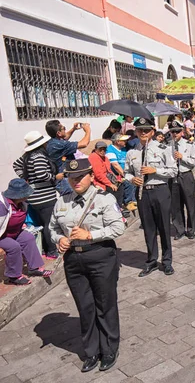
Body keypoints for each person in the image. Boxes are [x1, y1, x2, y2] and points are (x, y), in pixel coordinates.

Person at [49, 158, 124, 372]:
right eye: (72, 178)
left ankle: (109, 348)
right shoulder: (61, 201)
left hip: (100, 256)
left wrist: (91, 234)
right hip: (74, 260)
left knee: (105, 304)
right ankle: (92, 351)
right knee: (85, 306)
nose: (76, 181)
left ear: (91, 176)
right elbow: (52, 227)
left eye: (80, 176)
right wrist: (58, 239)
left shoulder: (104, 199)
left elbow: (118, 228)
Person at [124, 116, 177, 277]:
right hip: (142, 192)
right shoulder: (132, 152)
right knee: (148, 229)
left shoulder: (163, 149)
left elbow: (173, 171)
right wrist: (132, 179)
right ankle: (152, 261)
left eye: (146, 130)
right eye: (140, 130)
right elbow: (126, 172)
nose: (143, 133)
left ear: (152, 131)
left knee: (164, 227)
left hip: (160, 190)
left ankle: (167, 261)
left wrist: (155, 171)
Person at [12, 131, 60, 258]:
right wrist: (55, 176)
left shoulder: (27, 156)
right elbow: (41, 174)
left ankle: (43, 249)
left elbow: (15, 165)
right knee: (49, 224)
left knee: (40, 223)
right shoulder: (39, 156)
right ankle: (51, 250)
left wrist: (26, 178)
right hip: (44, 196)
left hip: (34, 196)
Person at [1, 179, 53, 285]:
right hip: (2, 235)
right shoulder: (2, 206)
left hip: (14, 232)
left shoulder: (22, 203)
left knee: (28, 238)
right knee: (13, 246)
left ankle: (34, 268)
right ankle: (14, 276)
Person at [168, 120, 195, 240]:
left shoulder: (189, 144)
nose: (175, 134)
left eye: (177, 131)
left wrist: (183, 157)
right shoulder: (167, 146)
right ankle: (179, 229)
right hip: (172, 176)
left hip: (185, 175)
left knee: (189, 203)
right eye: (172, 132)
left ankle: (190, 229)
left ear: (182, 132)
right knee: (175, 205)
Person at [45, 120, 91, 195]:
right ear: (59, 133)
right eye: (64, 129)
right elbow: (84, 143)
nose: (65, 131)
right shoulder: (59, 145)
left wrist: (73, 129)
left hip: (65, 178)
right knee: (70, 201)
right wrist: (88, 130)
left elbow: (65, 137)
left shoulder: (54, 142)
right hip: (64, 181)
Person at [106, 134, 136, 211]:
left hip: (127, 172)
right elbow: (115, 165)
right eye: (123, 140)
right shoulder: (110, 150)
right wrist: (125, 175)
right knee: (128, 182)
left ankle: (134, 200)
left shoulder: (123, 149)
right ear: (117, 141)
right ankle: (127, 203)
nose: (126, 141)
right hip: (116, 175)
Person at [89, 141, 123, 209]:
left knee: (122, 185)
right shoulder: (93, 157)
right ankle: (116, 208)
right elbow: (99, 175)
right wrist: (110, 184)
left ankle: (121, 206)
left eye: (104, 149)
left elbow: (109, 171)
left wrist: (116, 178)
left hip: (107, 179)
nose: (102, 151)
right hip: (98, 182)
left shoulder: (105, 158)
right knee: (114, 190)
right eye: (100, 149)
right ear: (96, 149)